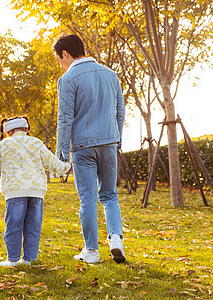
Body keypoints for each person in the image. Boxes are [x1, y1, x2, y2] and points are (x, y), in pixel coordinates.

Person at [52, 34, 126, 263]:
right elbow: (120, 110)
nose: (60, 64)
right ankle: (115, 239)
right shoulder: (110, 74)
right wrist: (117, 140)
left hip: (83, 147)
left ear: (65, 53)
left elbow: (65, 118)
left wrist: (61, 153)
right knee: (110, 196)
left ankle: (92, 251)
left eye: (58, 59)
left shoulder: (68, 79)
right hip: (109, 143)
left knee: (88, 198)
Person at [0, 116, 71, 267]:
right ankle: (28, 259)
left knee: (14, 226)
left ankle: (12, 259)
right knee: (33, 226)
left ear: (8, 132)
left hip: (15, 192)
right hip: (36, 192)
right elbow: (51, 163)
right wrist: (65, 167)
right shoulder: (36, 143)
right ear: (26, 129)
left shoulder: (5, 144)